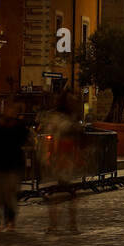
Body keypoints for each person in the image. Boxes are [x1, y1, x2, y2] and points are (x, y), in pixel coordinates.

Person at [39, 90, 83, 234]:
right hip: (60, 157)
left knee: (68, 194)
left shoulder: (70, 118)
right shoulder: (58, 118)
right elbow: (52, 136)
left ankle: (69, 224)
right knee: (59, 194)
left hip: (67, 158)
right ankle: (57, 224)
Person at [0, 104, 28, 232]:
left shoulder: (19, 126)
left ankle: (10, 221)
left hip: (13, 166)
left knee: (9, 195)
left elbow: (23, 140)